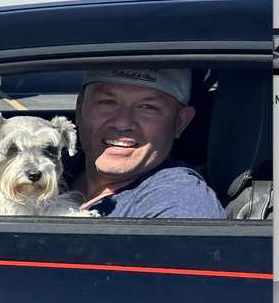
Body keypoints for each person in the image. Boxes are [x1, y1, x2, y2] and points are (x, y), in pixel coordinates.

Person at [69, 69, 224, 218]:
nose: (122, 123)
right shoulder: (55, 164)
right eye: (108, 102)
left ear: (179, 122)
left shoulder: (177, 201)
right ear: (80, 109)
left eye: (147, 107)